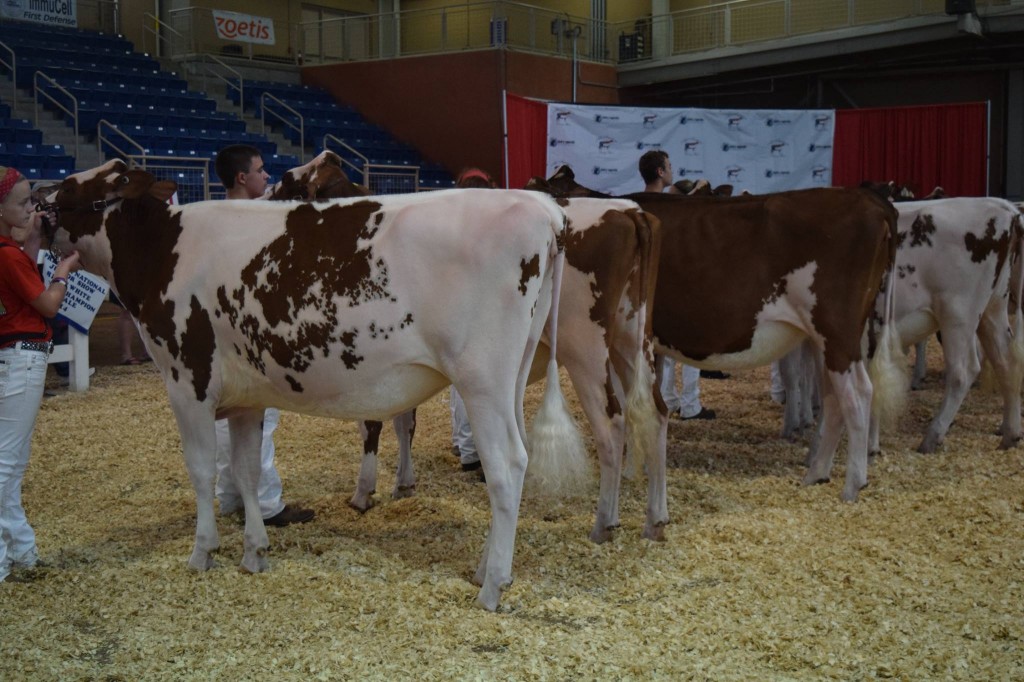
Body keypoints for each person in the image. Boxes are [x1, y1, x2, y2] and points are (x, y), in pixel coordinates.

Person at [211, 145, 314, 526]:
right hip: (249, 333)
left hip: (223, 332)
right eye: (260, 170)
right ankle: (267, 505)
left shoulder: (214, 216)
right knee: (258, 418)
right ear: (242, 178)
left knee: (227, 417)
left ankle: (231, 498)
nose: (266, 175)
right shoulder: (252, 217)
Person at [0, 165, 80, 581]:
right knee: (7, 467)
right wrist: (63, 271)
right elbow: (47, 305)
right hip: (22, 357)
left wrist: (31, 241)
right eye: (22, 202)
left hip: (10, 357)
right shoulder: (7, 255)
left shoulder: (9, 254)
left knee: (8, 466)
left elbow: (20, 284)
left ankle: (23, 554)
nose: (30, 207)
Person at [638, 150, 715, 421]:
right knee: (687, 344)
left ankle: (668, 399)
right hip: (676, 283)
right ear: (660, 172)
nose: (672, 170)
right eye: (669, 166)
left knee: (662, 349)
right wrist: (699, 192)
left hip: (647, 287)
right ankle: (690, 404)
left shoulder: (637, 204)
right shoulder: (671, 206)